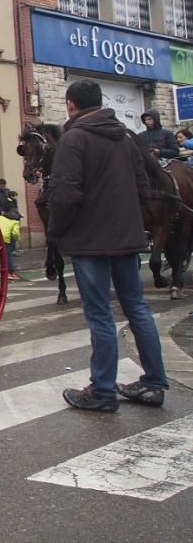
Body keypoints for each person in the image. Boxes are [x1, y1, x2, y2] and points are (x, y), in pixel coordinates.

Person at [46, 79, 168, 412]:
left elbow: (65, 194)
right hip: (125, 238)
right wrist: (133, 222)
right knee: (137, 308)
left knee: (100, 315)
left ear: (71, 104)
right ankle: (154, 383)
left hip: (90, 241)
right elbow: (144, 184)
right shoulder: (126, 137)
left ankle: (102, 391)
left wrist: (56, 231)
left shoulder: (74, 139)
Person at [0, 212, 22, 281]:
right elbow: (15, 233)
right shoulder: (15, 222)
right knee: (7, 255)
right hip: (5, 240)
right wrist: (17, 238)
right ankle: (9, 273)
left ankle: (2, 270)